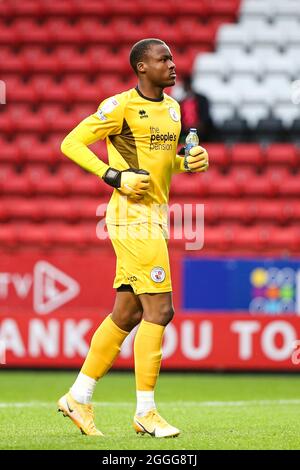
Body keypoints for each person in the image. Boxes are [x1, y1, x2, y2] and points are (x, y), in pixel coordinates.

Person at [58, 38, 209, 438]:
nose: (173, 66)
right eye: (164, 60)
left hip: (155, 217)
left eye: (173, 59)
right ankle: (146, 410)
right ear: (142, 68)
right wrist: (113, 175)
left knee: (127, 314)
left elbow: (162, 164)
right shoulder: (120, 106)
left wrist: (187, 162)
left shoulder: (174, 109)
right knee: (161, 311)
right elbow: (70, 142)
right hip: (131, 218)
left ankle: (78, 396)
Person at [179, 74, 214, 143]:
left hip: (201, 133)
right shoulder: (181, 102)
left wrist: (197, 126)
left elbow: (205, 117)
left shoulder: (202, 99)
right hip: (185, 133)